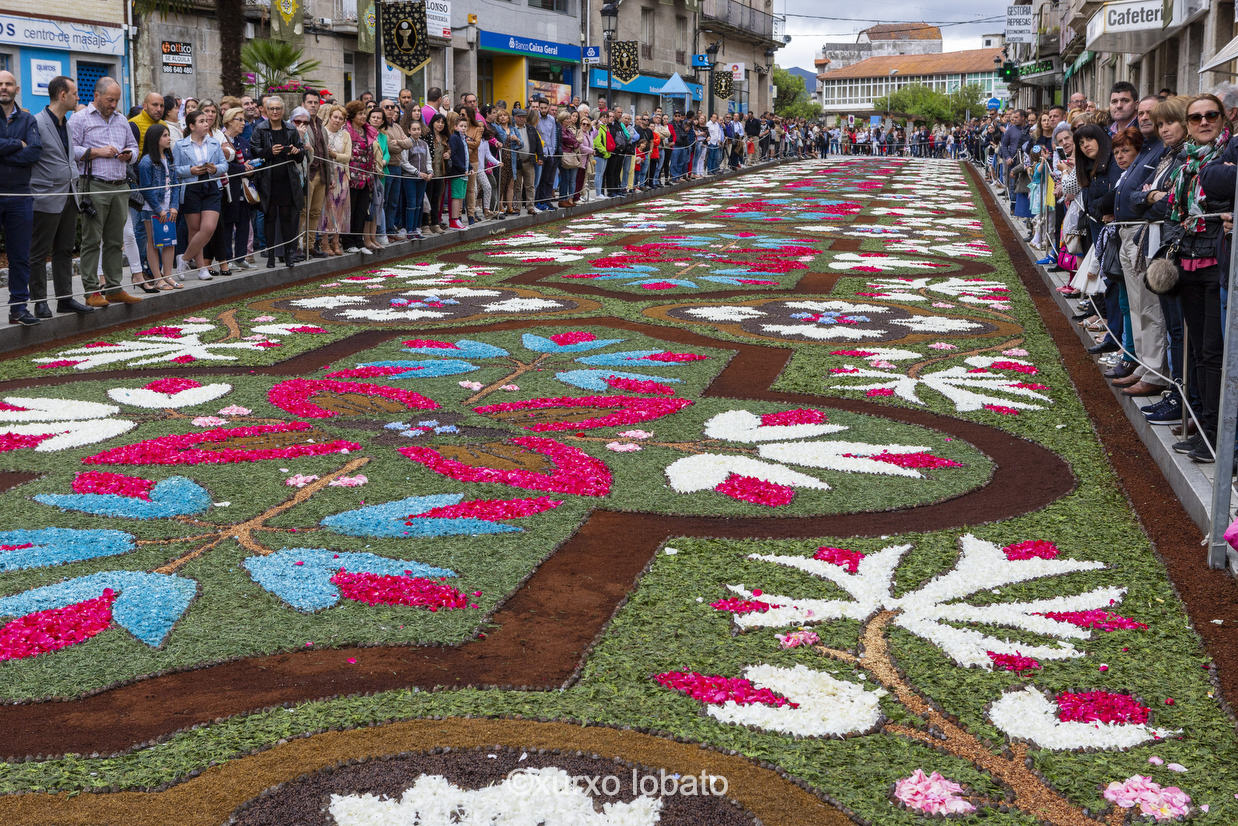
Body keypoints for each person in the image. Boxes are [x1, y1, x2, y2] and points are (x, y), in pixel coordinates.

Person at [70, 76, 140, 307]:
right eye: (110, 100)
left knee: (114, 240)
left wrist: (129, 154)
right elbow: (71, 150)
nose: (114, 105)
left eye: (117, 100)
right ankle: (91, 291)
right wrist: (98, 152)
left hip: (120, 185)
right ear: (97, 96)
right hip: (94, 184)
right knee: (92, 240)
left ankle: (114, 288)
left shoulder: (121, 120)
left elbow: (135, 147)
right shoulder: (79, 119)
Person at [30, 75, 91, 317]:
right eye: (75, 93)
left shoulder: (66, 123)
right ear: (62, 95)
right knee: (38, 252)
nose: (78, 97)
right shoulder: (36, 123)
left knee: (65, 249)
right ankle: (40, 302)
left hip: (69, 194)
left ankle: (65, 299)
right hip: (45, 196)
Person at [0, 69, 42, 326]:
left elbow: (35, 153)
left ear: (17, 89)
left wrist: (5, 148)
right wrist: (17, 144)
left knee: (20, 256)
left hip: (20, 195)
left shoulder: (28, 120)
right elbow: (24, 149)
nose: (3, 88)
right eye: (0, 84)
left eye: (8, 84)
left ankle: (19, 308)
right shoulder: (23, 129)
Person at [250, 96, 305, 268]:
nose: (275, 112)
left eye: (278, 109)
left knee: (288, 219)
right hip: (268, 180)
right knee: (270, 218)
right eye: (272, 109)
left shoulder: (290, 128)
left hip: (288, 180)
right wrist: (269, 151)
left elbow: (301, 154)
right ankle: (271, 254)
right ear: (266, 110)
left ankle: (289, 254)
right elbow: (254, 151)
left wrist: (296, 151)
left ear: (283, 111)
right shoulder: (260, 129)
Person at [173, 109, 226, 280]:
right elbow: (175, 171)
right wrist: (191, 170)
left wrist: (215, 168)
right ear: (192, 126)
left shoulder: (214, 143)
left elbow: (224, 165)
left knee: (208, 228)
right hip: (191, 187)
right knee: (194, 229)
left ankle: (184, 258)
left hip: (211, 185)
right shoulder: (180, 145)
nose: (206, 123)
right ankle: (201, 267)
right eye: (201, 121)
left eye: (206, 121)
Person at [137, 123, 181, 291]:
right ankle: (157, 278)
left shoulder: (169, 159)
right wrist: (159, 209)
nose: (168, 138)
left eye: (168, 135)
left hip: (169, 208)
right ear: (155, 139)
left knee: (170, 242)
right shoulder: (146, 162)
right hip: (152, 210)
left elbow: (176, 184)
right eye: (164, 135)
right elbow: (146, 190)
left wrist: (174, 207)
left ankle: (168, 275)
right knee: (154, 242)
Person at [218, 106, 252, 273]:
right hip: (228, 187)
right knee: (228, 223)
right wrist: (242, 169)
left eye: (244, 120)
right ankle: (227, 258)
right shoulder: (221, 140)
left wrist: (252, 166)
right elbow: (225, 166)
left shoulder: (243, 142)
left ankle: (241, 257)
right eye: (240, 120)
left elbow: (249, 160)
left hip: (244, 188)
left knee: (244, 222)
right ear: (229, 121)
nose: (243, 123)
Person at [343, 99, 376, 253]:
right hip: (352, 177)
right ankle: (348, 242)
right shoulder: (346, 131)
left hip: (367, 177)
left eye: (365, 113)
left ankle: (359, 240)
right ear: (352, 116)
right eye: (361, 114)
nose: (364, 116)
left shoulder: (368, 130)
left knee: (362, 210)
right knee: (351, 210)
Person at [320, 103, 351, 255]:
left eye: (341, 118)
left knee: (339, 210)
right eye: (335, 117)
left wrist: (334, 155)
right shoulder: (322, 132)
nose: (337, 120)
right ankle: (324, 242)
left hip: (341, 174)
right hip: (327, 174)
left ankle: (336, 241)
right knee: (327, 209)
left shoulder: (345, 135)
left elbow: (347, 156)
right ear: (330, 117)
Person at [401, 118, 431, 240]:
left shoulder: (424, 144)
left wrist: (430, 172)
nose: (416, 131)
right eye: (414, 129)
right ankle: (410, 230)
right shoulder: (407, 143)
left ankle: (417, 228)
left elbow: (428, 160)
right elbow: (404, 162)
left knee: (419, 204)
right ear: (409, 130)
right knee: (411, 204)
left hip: (422, 179)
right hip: (410, 178)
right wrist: (417, 172)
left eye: (418, 129)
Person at [511, 107, 539, 214]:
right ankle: (517, 206)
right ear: (514, 117)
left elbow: (537, 143)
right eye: (519, 117)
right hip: (516, 161)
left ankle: (530, 206)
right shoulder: (512, 129)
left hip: (529, 160)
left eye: (523, 117)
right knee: (517, 186)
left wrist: (540, 157)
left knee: (530, 185)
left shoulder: (531, 128)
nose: (522, 119)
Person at [447, 111, 469, 230]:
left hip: (464, 172)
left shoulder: (463, 139)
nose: (463, 128)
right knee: (456, 197)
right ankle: (454, 220)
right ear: (455, 127)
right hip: (457, 173)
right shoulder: (454, 138)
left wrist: (469, 167)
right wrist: (462, 168)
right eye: (461, 126)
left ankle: (458, 218)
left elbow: (466, 155)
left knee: (461, 196)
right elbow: (454, 156)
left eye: (465, 126)